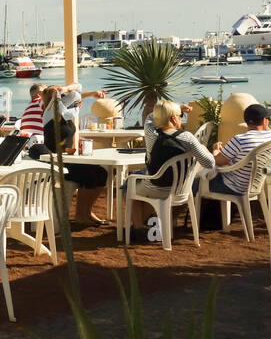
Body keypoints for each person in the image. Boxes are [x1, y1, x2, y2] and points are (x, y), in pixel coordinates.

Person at [126, 100, 215, 234]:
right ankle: (150, 224)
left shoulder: (151, 135)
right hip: (180, 189)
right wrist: (206, 149)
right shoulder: (188, 138)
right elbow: (209, 163)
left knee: (128, 185)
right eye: (180, 115)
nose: (181, 118)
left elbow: (150, 118)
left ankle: (138, 229)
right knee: (138, 184)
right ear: (173, 118)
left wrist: (176, 108)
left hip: (155, 187)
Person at [37, 84, 111, 225]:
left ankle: (84, 213)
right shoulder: (50, 111)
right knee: (94, 174)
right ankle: (81, 215)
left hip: (68, 158)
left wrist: (91, 94)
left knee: (100, 172)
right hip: (57, 162)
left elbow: (77, 92)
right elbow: (75, 90)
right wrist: (65, 90)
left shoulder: (66, 112)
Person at [207, 104, 271, 195]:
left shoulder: (240, 140)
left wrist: (216, 151)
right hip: (256, 186)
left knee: (199, 180)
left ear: (246, 121)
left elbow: (218, 162)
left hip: (236, 188)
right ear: (264, 121)